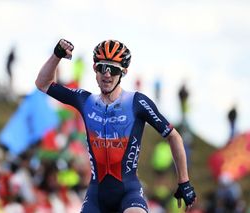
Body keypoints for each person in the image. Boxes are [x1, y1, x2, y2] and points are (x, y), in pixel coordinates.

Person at [35, 39, 196, 213]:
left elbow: (173, 136)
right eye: (102, 68)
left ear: (124, 72)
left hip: (129, 192)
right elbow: (42, 84)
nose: (107, 74)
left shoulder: (137, 102)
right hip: (97, 195)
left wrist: (184, 181)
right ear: (95, 69)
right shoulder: (84, 100)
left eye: (113, 69)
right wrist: (57, 55)